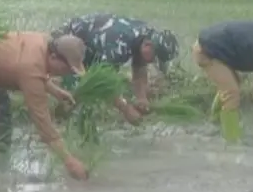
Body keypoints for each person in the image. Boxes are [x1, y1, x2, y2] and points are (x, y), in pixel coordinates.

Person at [0, 32, 90, 180]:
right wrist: (69, 161)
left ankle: (1, 168)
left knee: (2, 111)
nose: (66, 73)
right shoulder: (31, 66)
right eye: (66, 69)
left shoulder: (41, 43)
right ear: (53, 57)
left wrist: (55, 91)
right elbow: (43, 123)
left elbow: (33, 72)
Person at [51, 13, 180, 122]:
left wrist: (142, 98)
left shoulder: (145, 37)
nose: (152, 63)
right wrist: (126, 109)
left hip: (93, 45)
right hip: (69, 41)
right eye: (154, 59)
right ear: (148, 45)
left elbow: (140, 67)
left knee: (88, 87)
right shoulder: (119, 45)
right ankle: (55, 117)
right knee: (76, 90)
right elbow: (103, 80)